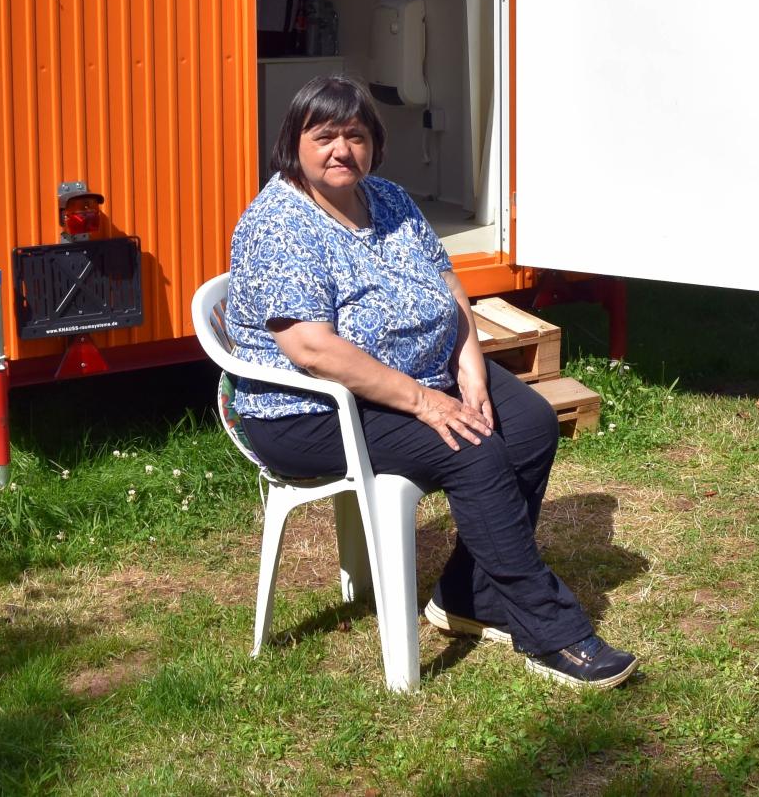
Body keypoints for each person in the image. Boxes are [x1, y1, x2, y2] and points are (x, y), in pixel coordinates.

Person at [227, 74, 637, 688]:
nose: (343, 150)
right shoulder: (279, 224)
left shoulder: (388, 199)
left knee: (525, 423)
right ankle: (553, 631)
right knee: (470, 450)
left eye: (356, 136)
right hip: (307, 410)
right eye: (325, 136)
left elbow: (449, 289)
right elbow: (312, 350)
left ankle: (467, 594)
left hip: (419, 371)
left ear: (375, 145)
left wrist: (470, 368)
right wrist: (425, 403)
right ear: (295, 144)